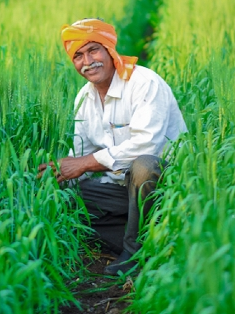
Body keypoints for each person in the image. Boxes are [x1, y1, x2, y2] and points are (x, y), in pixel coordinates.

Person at [38, 18, 187, 276]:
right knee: (68, 199)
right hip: (121, 191)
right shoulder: (84, 98)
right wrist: (57, 176)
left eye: (94, 50)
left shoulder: (143, 83)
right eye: (78, 56)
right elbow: (81, 153)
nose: (87, 62)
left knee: (144, 165)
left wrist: (83, 163)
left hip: (163, 188)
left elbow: (146, 145)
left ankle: (133, 251)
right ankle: (156, 240)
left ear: (110, 50)